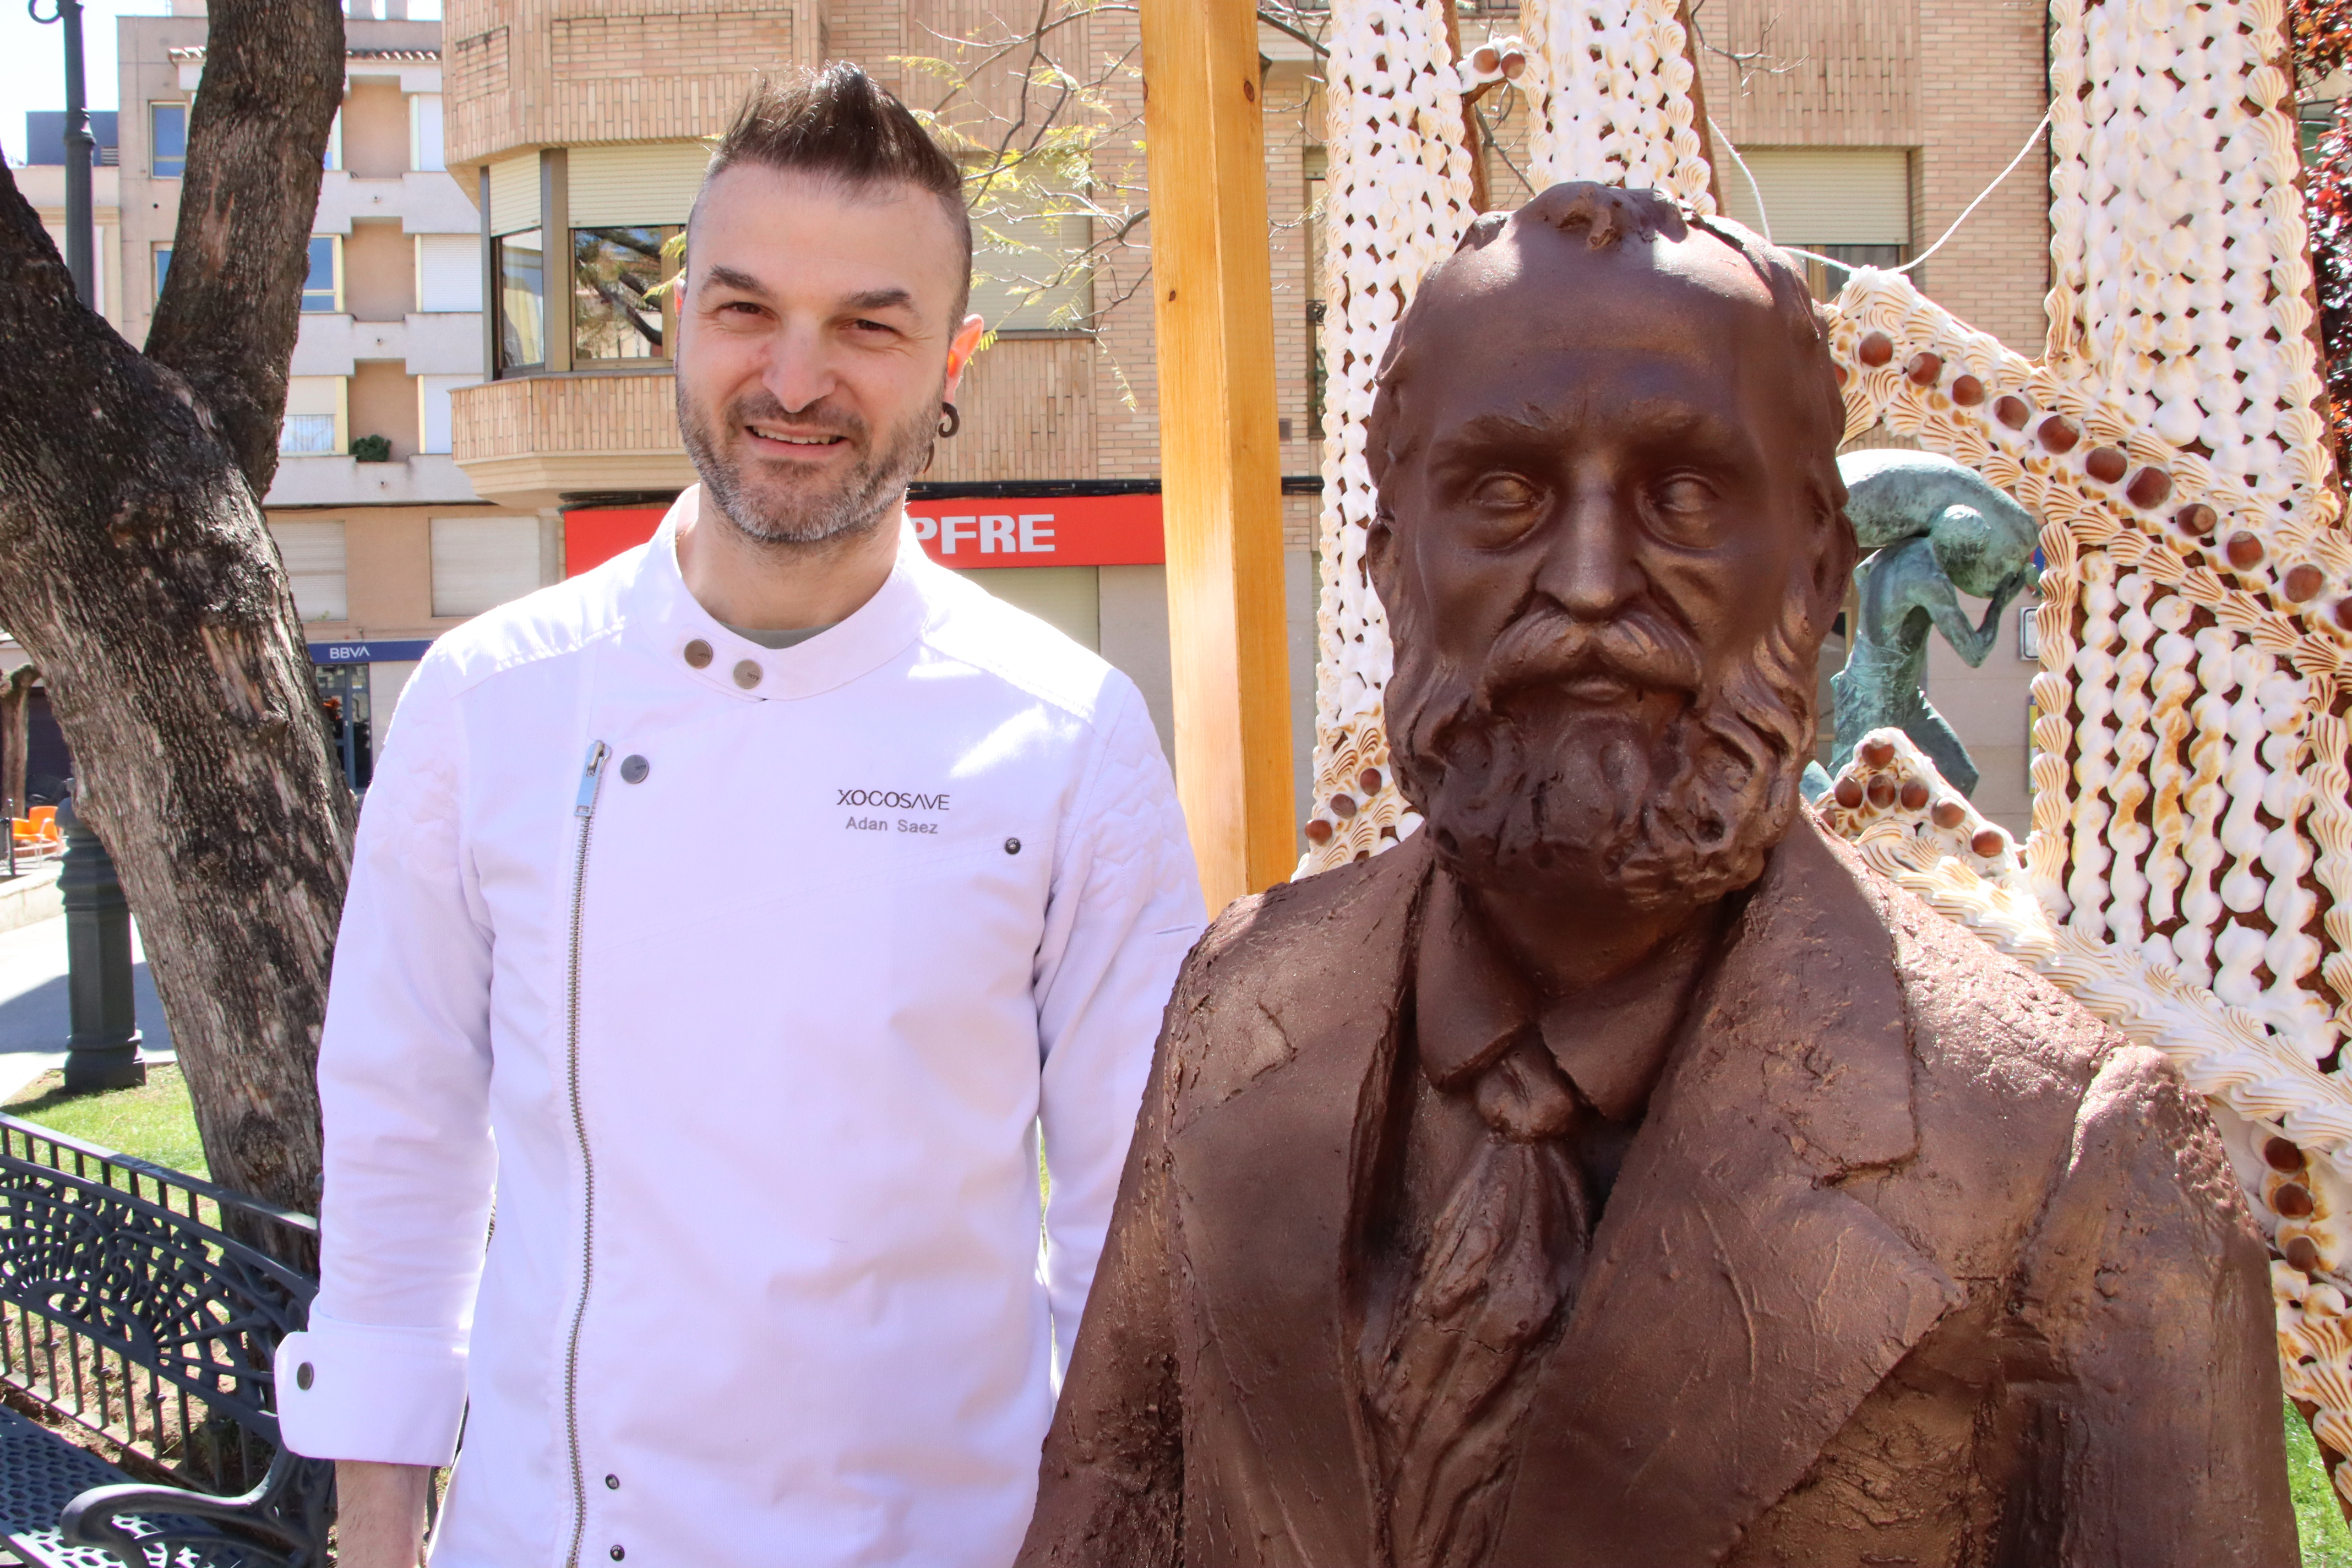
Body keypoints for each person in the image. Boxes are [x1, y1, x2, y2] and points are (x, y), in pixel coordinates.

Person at [1016, 183, 2293, 1568]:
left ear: (1819, 579)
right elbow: (1109, 1510)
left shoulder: (2069, 1156)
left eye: (1684, 495)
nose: (1587, 576)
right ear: (1386, 568)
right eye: (1502, 494)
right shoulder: (1238, 1007)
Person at [275, 63, 1206, 1568]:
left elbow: (1130, 1235)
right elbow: (400, 1139)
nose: (794, 379)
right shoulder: (487, 700)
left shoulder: (1068, 737)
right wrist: (379, 1527)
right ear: (679, 321)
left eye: (870, 326)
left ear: (954, 359)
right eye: (746, 309)